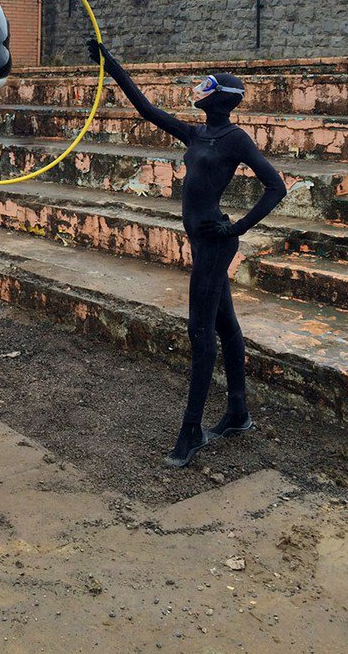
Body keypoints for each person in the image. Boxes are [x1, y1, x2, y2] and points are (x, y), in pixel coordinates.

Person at [87, 41, 287, 467]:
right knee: (226, 327)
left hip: (215, 244)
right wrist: (111, 62)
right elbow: (145, 109)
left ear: (221, 100)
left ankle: (191, 431)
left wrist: (237, 227)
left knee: (201, 334)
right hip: (203, 242)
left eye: (206, 87)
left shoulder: (235, 139)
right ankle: (237, 412)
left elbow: (276, 187)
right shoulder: (197, 133)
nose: (199, 91)